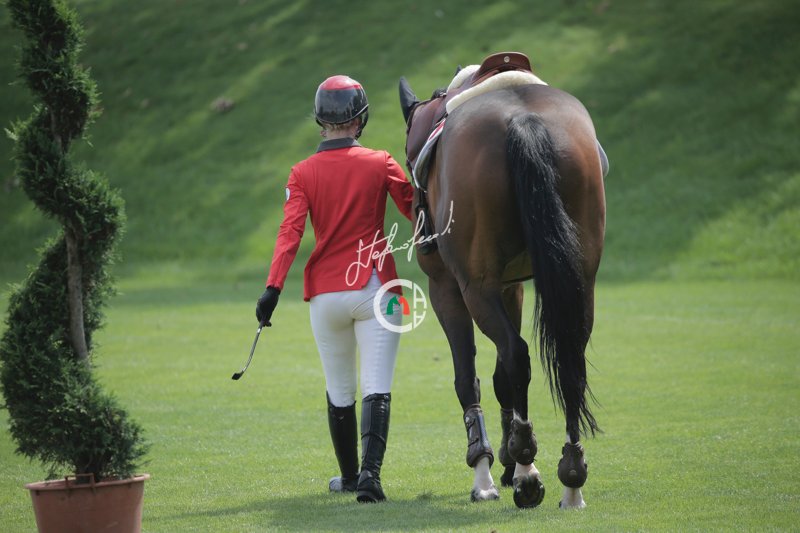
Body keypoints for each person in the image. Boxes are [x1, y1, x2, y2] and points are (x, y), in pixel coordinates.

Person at [255, 75, 414, 503]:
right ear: (360, 119)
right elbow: (415, 209)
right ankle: (370, 478)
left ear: (320, 120)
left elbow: (289, 233)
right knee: (377, 385)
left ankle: (348, 477)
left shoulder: (301, 172)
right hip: (380, 288)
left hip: (325, 295)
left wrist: (272, 288)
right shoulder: (381, 161)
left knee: (339, 390)